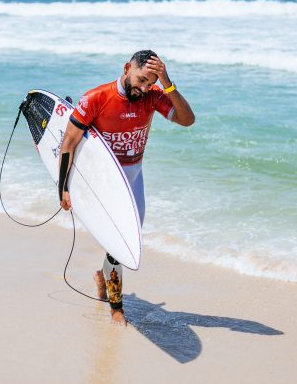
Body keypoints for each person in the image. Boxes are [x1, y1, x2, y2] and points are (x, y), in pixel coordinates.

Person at [58, 50, 195, 325]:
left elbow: (187, 119)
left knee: (128, 239)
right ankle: (116, 308)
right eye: (142, 79)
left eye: (150, 83)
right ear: (126, 68)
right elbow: (69, 143)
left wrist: (167, 83)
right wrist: (63, 187)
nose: (144, 88)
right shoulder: (96, 98)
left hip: (133, 175)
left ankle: (102, 275)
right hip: (105, 180)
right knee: (118, 243)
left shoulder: (154, 96)